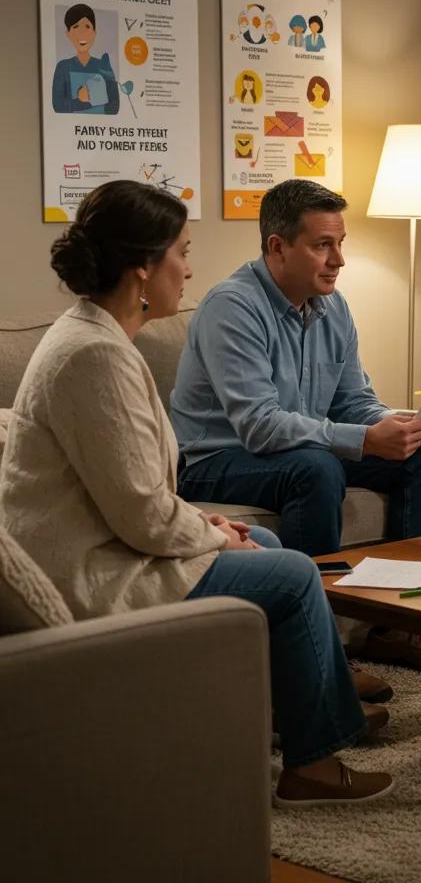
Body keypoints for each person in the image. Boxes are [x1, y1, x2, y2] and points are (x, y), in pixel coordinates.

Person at [0, 180, 395, 805]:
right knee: (290, 574)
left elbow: (129, 490)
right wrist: (211, 532)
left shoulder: (99, 340)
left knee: (262, 537)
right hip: (90, 573)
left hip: (108, 543)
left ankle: (294, 712)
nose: (189, 269)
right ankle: (312, 765)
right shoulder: (93, 357)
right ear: (141, 270)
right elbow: (141, 516)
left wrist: (215, 529)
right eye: (181, 252)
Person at [171, 179, 421, 669]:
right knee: (317, 468)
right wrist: (364, 440)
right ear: (277, 248)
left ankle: (400, 626)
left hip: (296, 451)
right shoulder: (232, 308)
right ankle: (316, 653)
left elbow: (353, 400)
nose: (339, 259)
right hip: (212, 458)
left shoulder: (333, 306)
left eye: (340, 244)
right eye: (324, 245)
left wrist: (402, 425)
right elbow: (259, 426)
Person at [51, 4, 120, 115]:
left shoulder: (103, 66)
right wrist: (82, 101)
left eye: (87, 27)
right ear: (68, 34)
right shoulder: (63, 67)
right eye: (76, 27)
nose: (82, 33)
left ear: (94, 32)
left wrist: (89, 99)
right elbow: (58, 107)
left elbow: (114, 107)